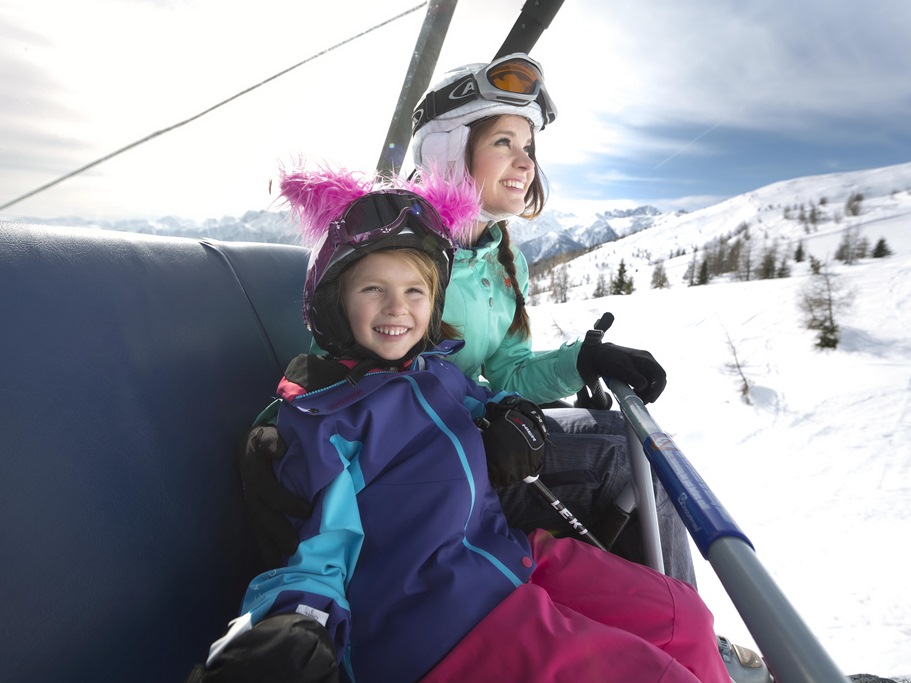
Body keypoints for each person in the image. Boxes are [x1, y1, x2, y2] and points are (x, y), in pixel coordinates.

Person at [187, 166, 731, 683]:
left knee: (685, 617)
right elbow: (316, 550)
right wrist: (295, 622)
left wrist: (508, 417)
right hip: (442, 623)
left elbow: (485, 400)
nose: (396, 308)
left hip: (507, 556)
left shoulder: (435, 373)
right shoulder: (325, 418)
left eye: (415, 291)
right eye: (373, 289)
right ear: (334, 305)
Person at [240, 53, 698, 586]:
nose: (525, 163)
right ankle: (684, 622)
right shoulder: (389, 248)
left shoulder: (504, 260)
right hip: (413, 462)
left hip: (471, 435)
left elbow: (509, 372)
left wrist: (581, 361)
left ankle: (666, 612)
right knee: (625, 453)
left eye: (528, 147)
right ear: (450, 151)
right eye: (503, 142)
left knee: (627, 446)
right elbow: (348, 364)